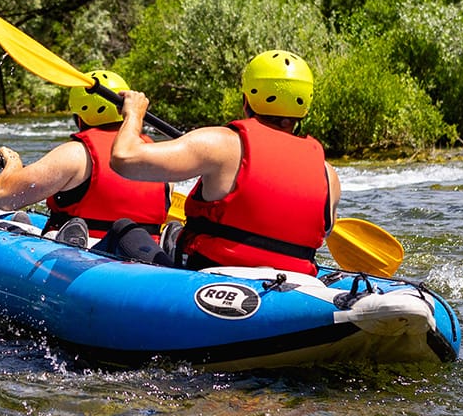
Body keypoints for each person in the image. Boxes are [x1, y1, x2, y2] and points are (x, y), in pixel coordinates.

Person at [108, 50, 341, 275]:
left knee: (123, 228)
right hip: (291, 286)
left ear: (246, 99)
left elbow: (124, 158)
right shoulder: (327, 173)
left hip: (211, 280)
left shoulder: (220, 143)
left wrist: (134, 115)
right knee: (174, 233)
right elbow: (321, 232)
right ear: (305, 106)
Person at [0, 69, 171, 251]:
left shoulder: (75, 154)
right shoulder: (159, 157)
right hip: (143, 254)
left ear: (80, 116)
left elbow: (5, 197)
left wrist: (13, 163)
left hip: (80, 258)